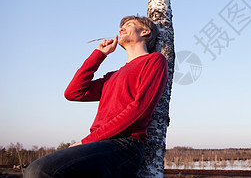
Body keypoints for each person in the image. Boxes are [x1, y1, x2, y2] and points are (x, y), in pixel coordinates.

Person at [24, 16, 168, 178]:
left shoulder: (154, 60)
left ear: (145, 32)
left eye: (128, 25)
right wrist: (99, 54)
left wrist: (86, 142)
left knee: (37, 171)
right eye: (121, 26)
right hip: (100, 144)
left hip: (126, 144)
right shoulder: (111, 76)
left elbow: (139, 110)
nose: (121, 29)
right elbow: (73, 92)